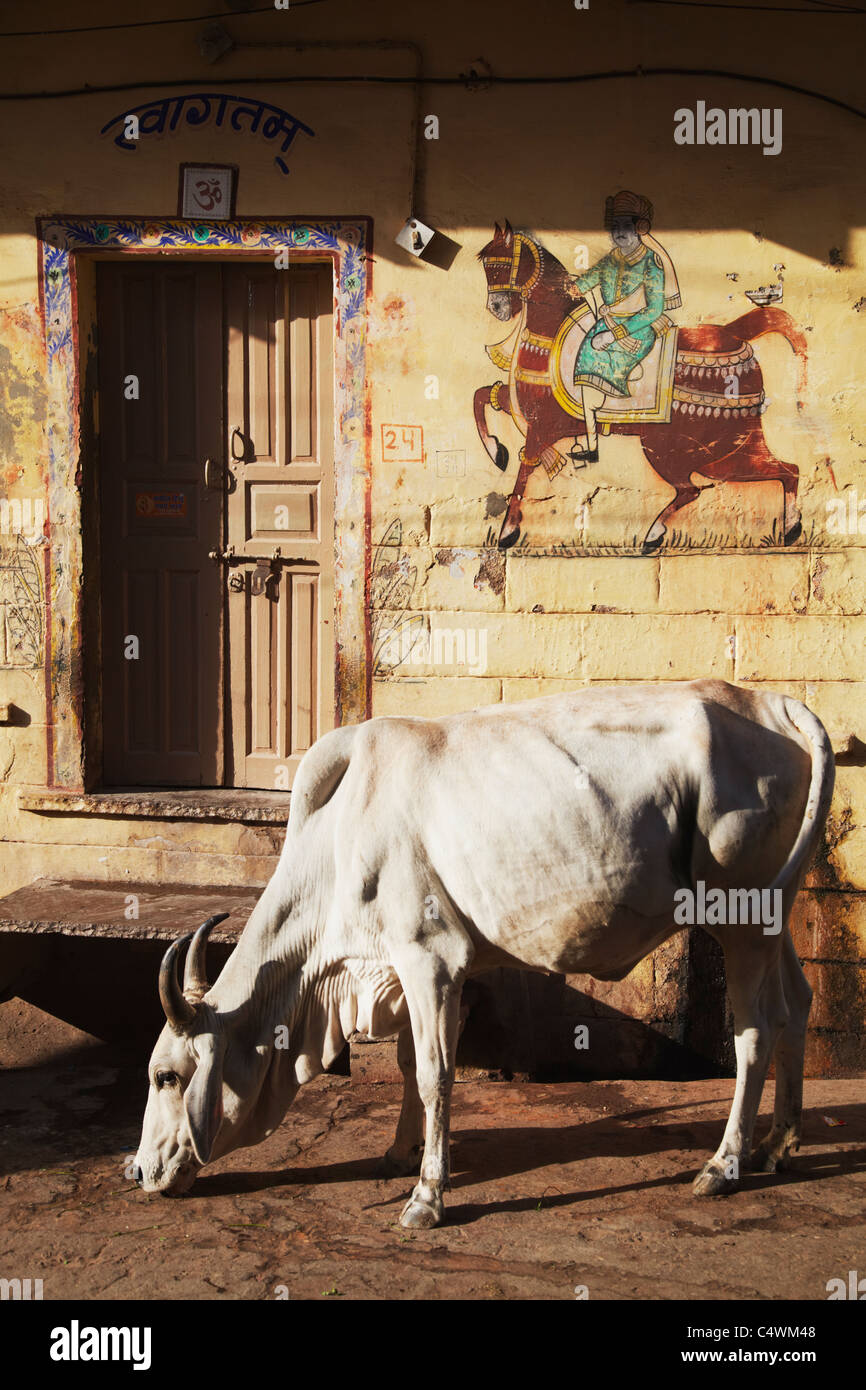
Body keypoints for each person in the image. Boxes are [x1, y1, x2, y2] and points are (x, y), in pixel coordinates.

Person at [569, 190, 681, 462]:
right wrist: (571, 286)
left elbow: (655, 310)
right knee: (584, 355)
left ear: (639, 229)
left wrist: (615, 334)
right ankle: (593, 443)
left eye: (626, 226)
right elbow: (588, 280)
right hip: (607, 324)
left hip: (638, 329)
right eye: (615, 227)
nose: (620, 233)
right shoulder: (611, 259)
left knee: (594, 353)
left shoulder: (650, 262)